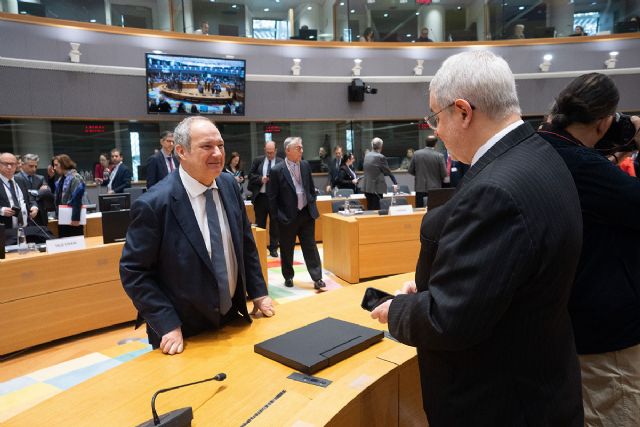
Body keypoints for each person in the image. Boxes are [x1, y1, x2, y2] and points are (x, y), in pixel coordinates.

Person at [371, 50, 584, 426]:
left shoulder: (495, 191)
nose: (434, 131)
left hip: (500, 402)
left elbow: (449, 320)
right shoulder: (542, 155)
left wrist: (399, 310)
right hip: (544, 383)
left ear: (464, 112)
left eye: (435, 118)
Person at [120, 116, 274, 355]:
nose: (217, 153)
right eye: (206, 146)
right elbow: (134, 272)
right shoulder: (153, 204)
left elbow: (245, 243)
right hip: (183, 331)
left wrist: (259, 293)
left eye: (220, 145)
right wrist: (167, 323)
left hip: (233, 319)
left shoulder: (229, 185)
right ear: (181, 151)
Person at [537, 72, 640, 426]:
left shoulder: (543, 147)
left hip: (568, 323)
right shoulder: (584, 167)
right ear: (602, 122)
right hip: (608, 338)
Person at [267, 137, 325, 290]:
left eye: (301, 147)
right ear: (288, 150)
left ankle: (317, 278)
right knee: (286, 248)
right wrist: (277, 217)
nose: (302, 150)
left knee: (310, 247)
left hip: (306, 214)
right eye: (298, 148)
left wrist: (312, 201)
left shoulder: (305, 165)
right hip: (287, 217)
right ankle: (288, 276)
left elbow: (311, 188)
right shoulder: (277, 170)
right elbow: (272, 198)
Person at [247, 141, 283, 258]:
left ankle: (273, 248)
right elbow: (251, 175)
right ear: (264, 150)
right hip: (261, 198)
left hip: (274, 199)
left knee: (275, 225)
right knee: (260, 224)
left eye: (271, 152)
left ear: (276, 151)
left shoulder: (281, 162)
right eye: (267, 152)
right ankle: (260, 247)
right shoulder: (258, 161)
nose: (270, 155)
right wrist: (260, 179)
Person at [0, 152, 37, 231]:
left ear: (17, 165)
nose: (9, 167)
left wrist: (34, 206)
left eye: (12, 164)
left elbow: (29, 198)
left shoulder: (20, 180)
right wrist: (1, 210)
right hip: (5, 230)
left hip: (25, 227)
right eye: (5, 164)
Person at [53, 154, 86, 238]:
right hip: (63, 217)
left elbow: (77, 199)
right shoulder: (61, 178)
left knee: (75, 245)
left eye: (56, 165)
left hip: (73, 218)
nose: (54, 168)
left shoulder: (75, 177)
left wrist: (75, 218)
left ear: (64, 164)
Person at [361, 137, 398, 210]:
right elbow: (388, 171)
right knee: (376, 211)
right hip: (376, 188)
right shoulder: (380, 157)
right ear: (381, 146)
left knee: (370, 209)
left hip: (367, 188)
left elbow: (374, 170)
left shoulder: (367, 155)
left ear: (372, 146)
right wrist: (395, 182)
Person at [15, 153, 52, 225]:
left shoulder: (40, 178)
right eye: (31, 166)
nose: (34, 169)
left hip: (41, 215)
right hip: (25, 214)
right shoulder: (15, 178)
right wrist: (38, 192)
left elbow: (47, 192)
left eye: (36, 166)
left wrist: (34, 193)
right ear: (22, 165)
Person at [409, 138, 446, 208]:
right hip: (435, 189)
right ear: (435, 144)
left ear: (425, 143)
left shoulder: (416, 154)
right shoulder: (439, 156)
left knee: (419, 211)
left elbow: (411, 171)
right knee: (434, 210)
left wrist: (419, 175)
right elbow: (444, 174)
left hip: (420, 188)